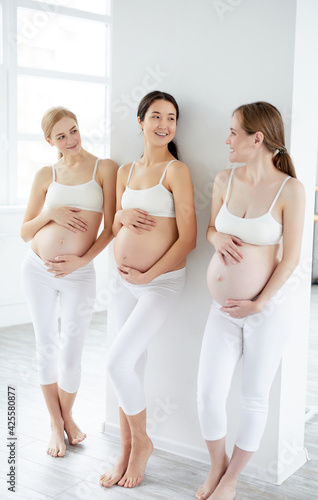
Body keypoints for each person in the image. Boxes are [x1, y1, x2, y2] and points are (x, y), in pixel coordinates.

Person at [196, 102, 305, 500]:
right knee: (208, 394)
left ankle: (232, 480)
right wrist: (216, 238)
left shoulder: (289, 190)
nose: (226, 139)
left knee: (253, 397)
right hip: (222, 311)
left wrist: (258, 304)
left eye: (233, 132)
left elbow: (291, 258)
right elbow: (210, 229)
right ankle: (217, 468)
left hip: (266, 312)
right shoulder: (224, 179)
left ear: (256, 139)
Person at [100, 91, 197, 489]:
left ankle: (142, 444)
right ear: (139, 121)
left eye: (171, 118)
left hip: (160, 284)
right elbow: (112, 228)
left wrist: (147, 275)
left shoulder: (176, 171)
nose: (163, 125)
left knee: (115, 363)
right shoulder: (125, 172)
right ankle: (125, 449)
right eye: (155, 116)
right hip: (123, 284)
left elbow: (188, 240)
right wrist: (121, 214)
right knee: (130, 368)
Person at [21, 106, 118, 458]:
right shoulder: (46, 174)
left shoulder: (104, 168)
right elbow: (25, 231)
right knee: (46, 344)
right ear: (50, 141)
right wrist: (50, 212)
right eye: (61, 136)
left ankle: (67, 416)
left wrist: (82, 260)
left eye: (73, 130)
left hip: (79, 272)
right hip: (37, 270)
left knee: (72, 349)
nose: (71, 139)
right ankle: (56, 424)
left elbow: (111, 227)